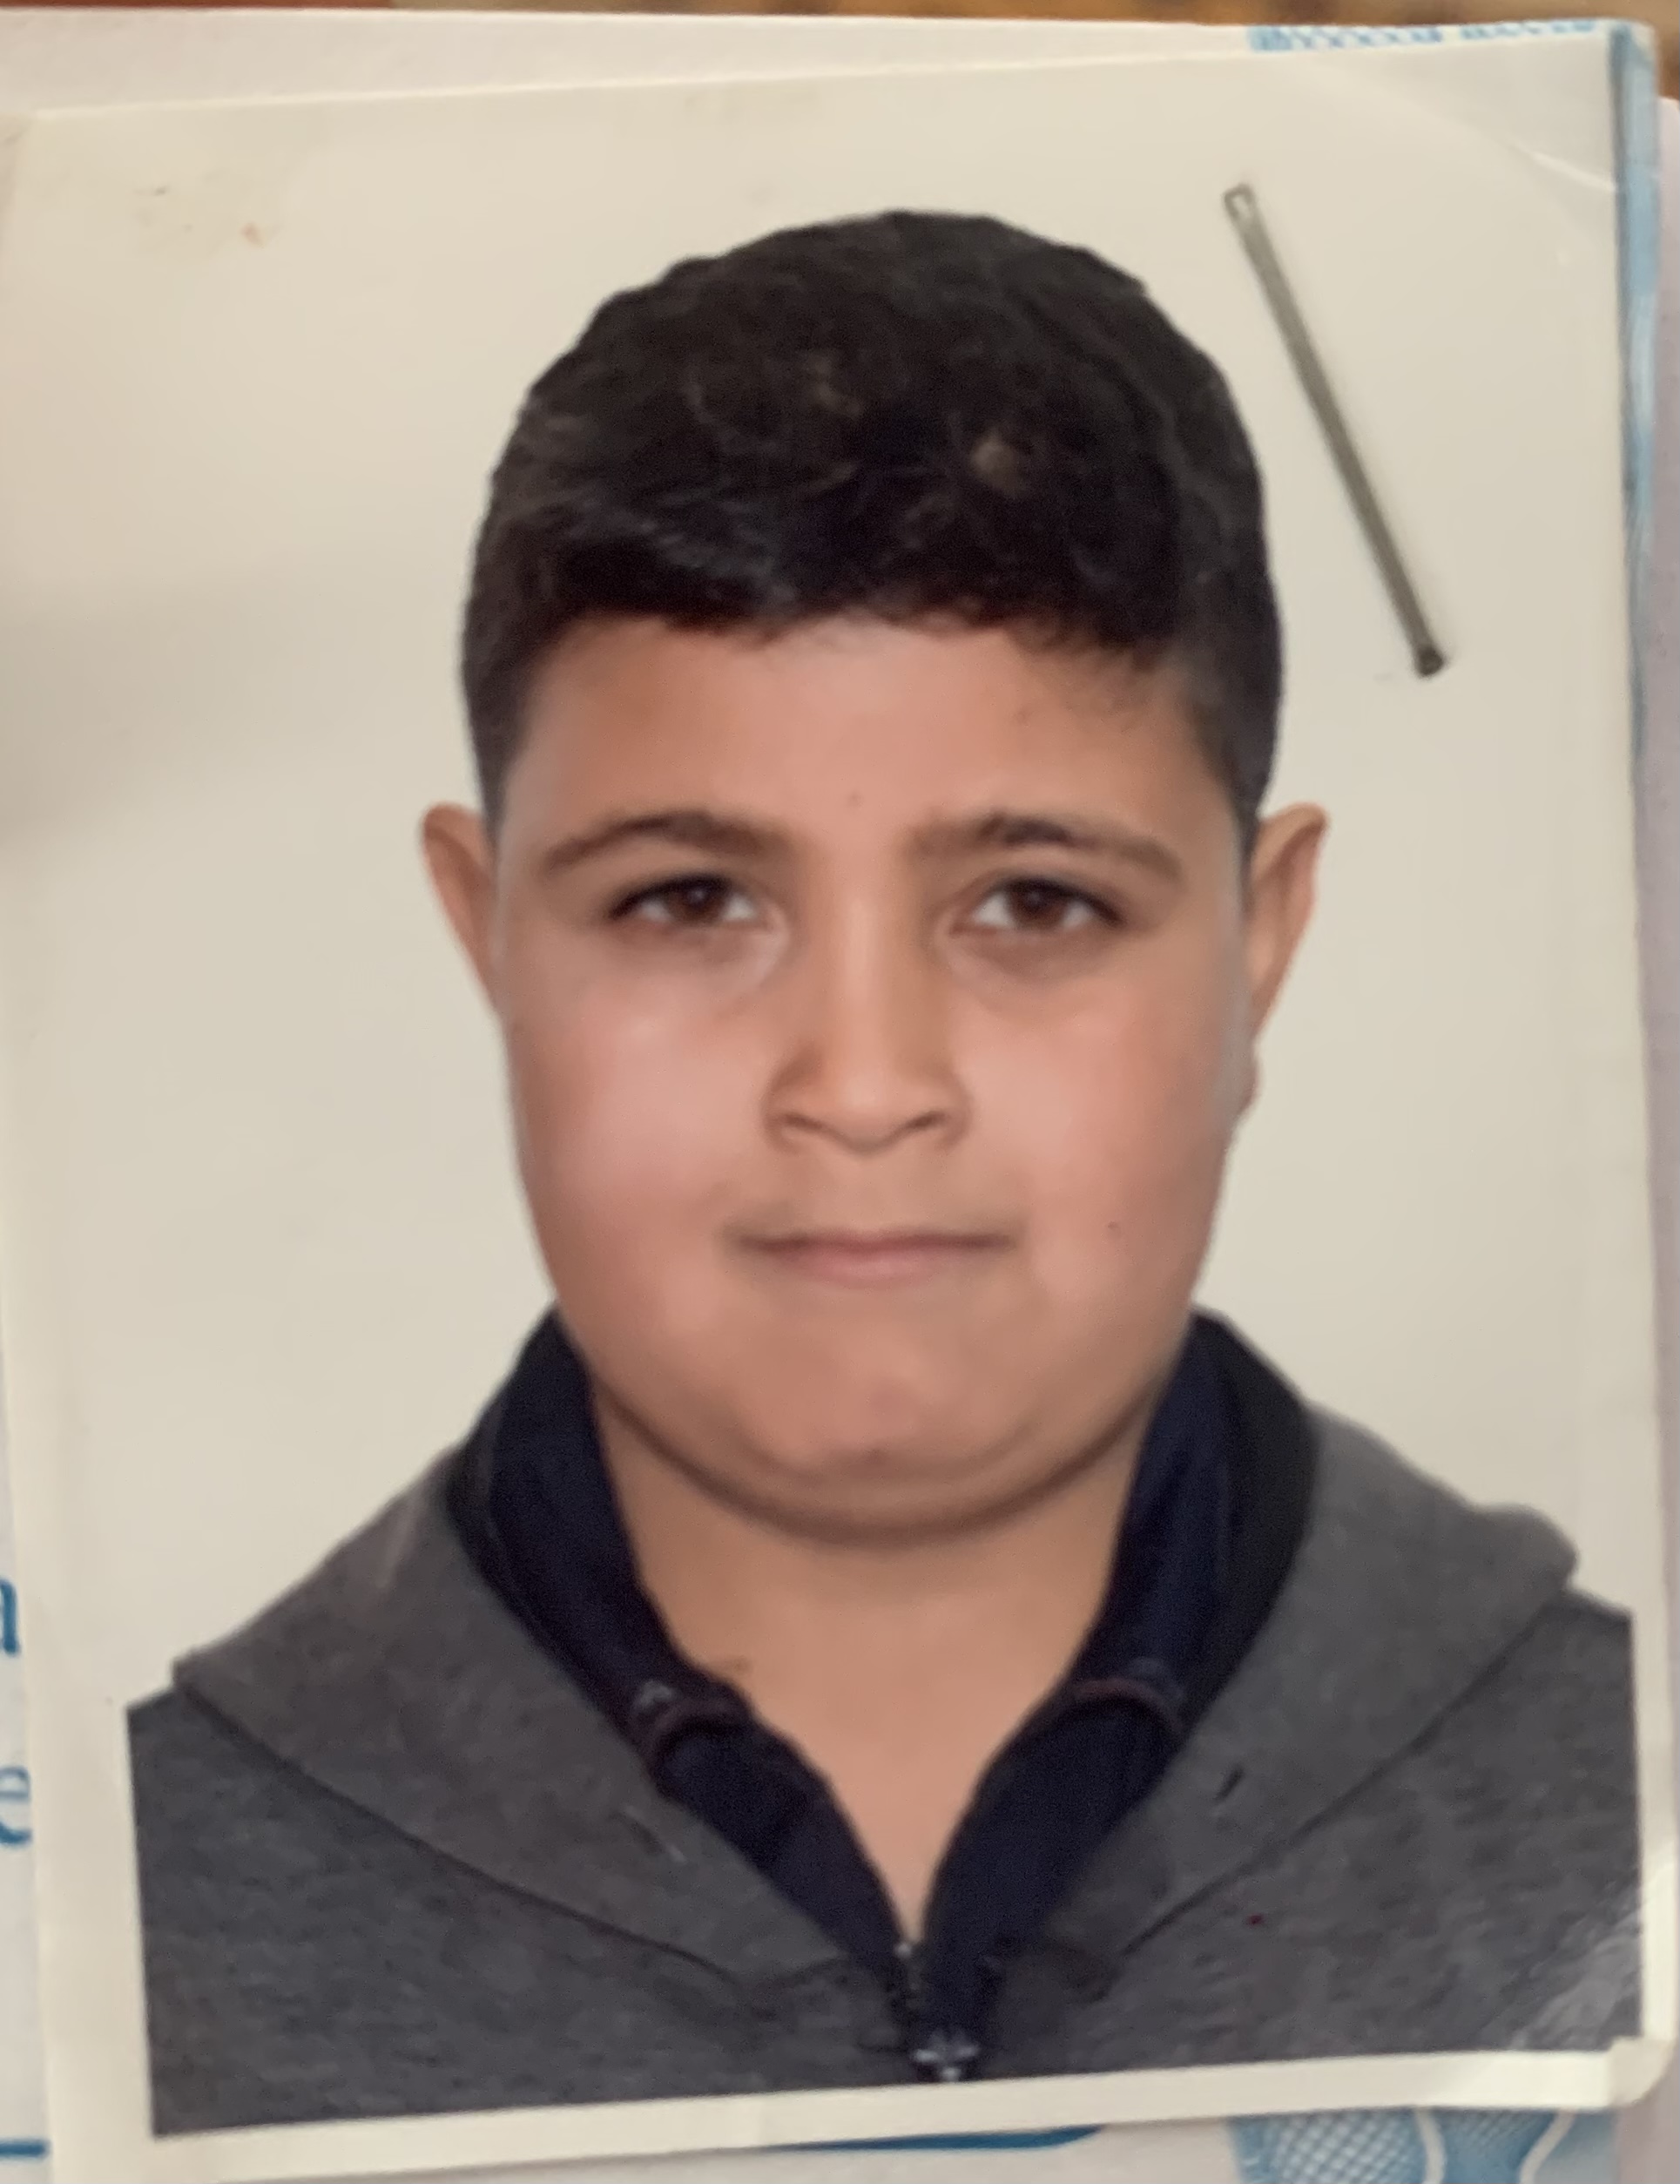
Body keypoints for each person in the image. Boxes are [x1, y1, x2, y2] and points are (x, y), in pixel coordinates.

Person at [128, 210, 1640, 2136]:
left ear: (1257, 946)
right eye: (691, 898)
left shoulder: (1624, 1803)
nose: (859, 1088)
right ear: (483, 927)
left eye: (1033, 902)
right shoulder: (117, 1906)